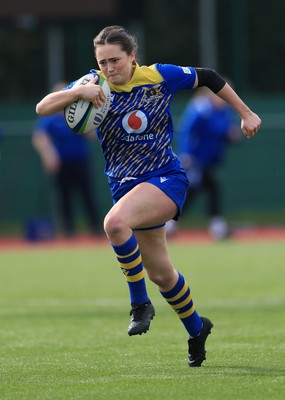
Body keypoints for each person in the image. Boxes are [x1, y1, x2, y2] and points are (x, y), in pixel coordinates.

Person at [35, 25, 261, 367]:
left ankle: (139, 304)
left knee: (114, 223)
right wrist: (77, 94)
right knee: (161, 273)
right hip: (125, 187)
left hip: (165, 178)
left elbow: (210, 77)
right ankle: (197, 329)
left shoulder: (159, 76)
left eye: (115, 60)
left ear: (132, 57)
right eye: (103, 62)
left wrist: (245, 113)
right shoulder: (94, 83)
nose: (109, 68)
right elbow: (42, 108)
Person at [167, 86, 241, 239]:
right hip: (195, 160)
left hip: (209, 161)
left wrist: (231, 135)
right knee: (195, 191)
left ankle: (172, 224)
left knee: (208, 189)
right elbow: (187, 131)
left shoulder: (223, 111)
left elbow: (226, 130)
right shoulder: (201, 108)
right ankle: (170, 224)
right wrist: (186, 153)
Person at [33, 82, 101, 237]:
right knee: (64, 197)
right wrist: (49, 154)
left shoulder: (79, 116)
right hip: (61, 163)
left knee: (87, 194)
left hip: (81, 161)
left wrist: (89, 127)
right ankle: (68, 230)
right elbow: (40, 136)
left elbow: (92, 136)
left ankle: (95, 227)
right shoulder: (51, 119)